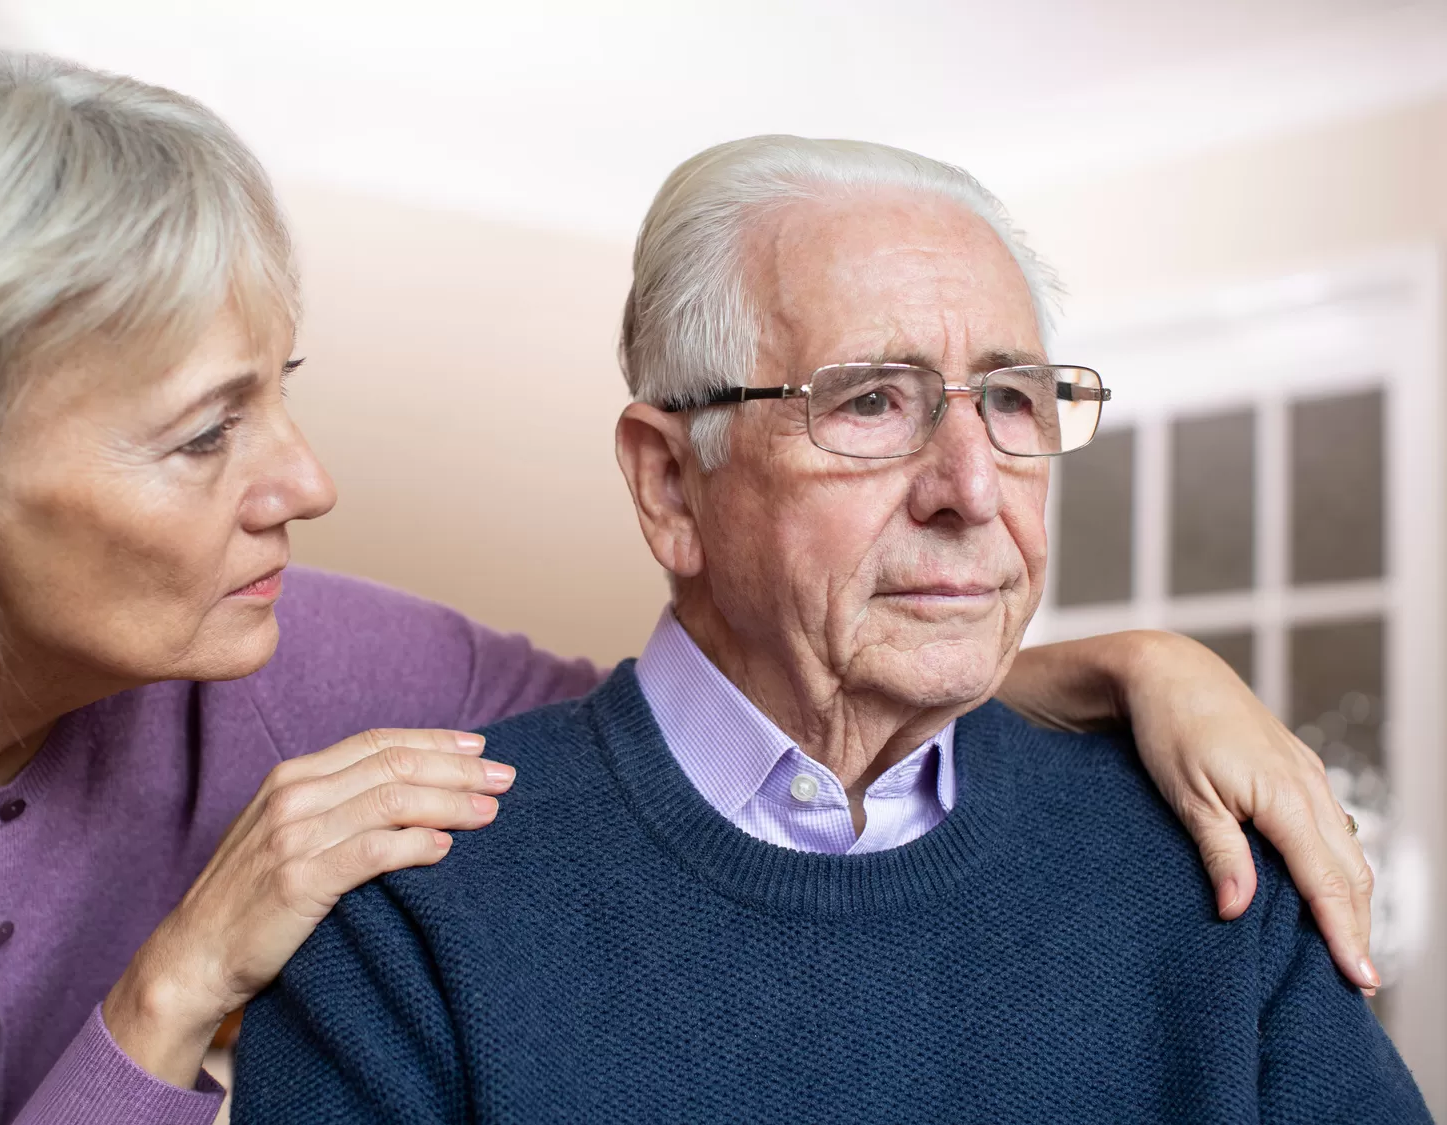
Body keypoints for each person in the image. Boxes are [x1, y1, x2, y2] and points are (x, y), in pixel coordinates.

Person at [0, 55, 1372, 1125]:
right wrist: (179, 981)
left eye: (1012, 402)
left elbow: (708, 726)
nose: (306, 484)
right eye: (202, 434)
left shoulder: (310, 659)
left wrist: (1129, 669)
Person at [233, 136, 1426, 1123]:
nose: (971, 486)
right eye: (868, 403)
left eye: (1010, 400)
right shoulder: (409, 915)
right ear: (667, 485)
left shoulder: (1207, 862)